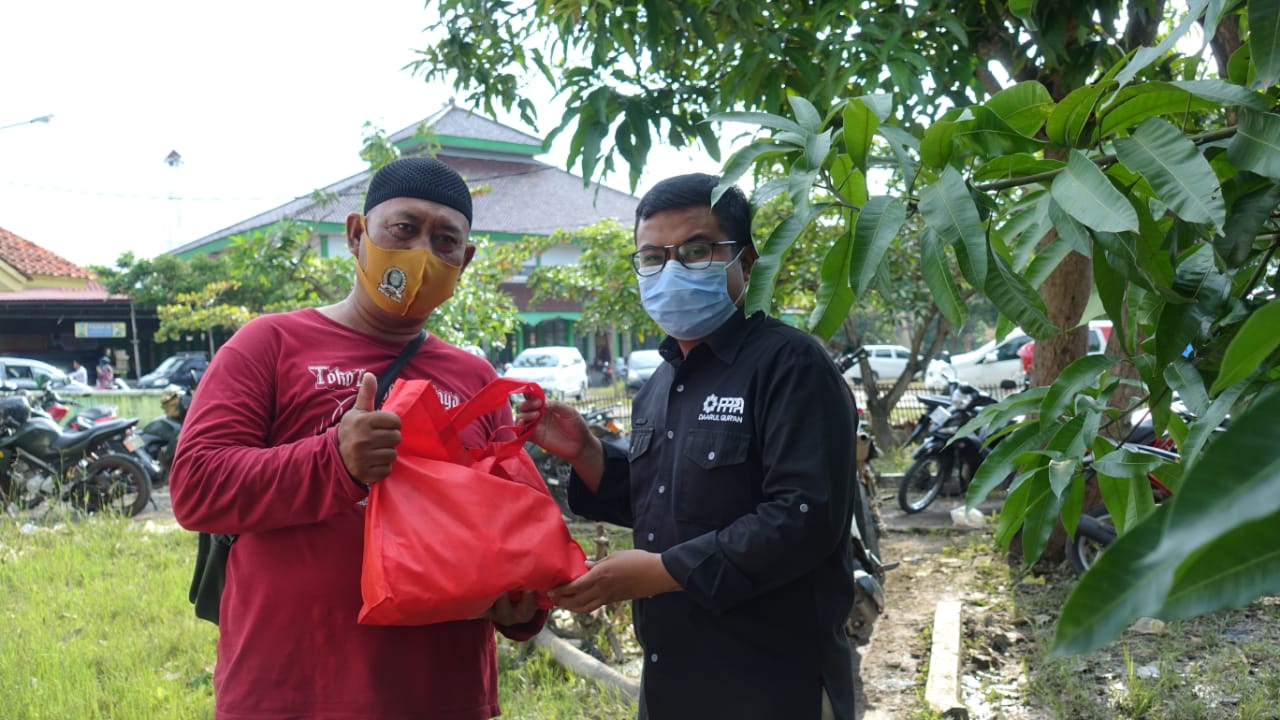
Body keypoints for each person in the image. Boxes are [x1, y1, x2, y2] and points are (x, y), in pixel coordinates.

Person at [170, 156, 543, 720]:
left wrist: (523, 606)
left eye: (445, 240)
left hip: (441, 695)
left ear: (464, 261)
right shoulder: (268, 345)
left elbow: (515, 534)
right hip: (289, 692)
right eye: (404, 228)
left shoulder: (475, 379)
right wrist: (334, 461)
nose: (423, 252)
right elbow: (197, 488)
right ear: (356, 234)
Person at [517, 173, 861, 719]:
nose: (671, 269)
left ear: (745, 262)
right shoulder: (659, 384)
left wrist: (662, 572)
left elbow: (803, 518)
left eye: (696, 251)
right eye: (652, 257)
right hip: (672, 676)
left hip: (774, 680)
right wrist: (587, 452)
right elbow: (665, 500)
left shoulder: (790, 366)